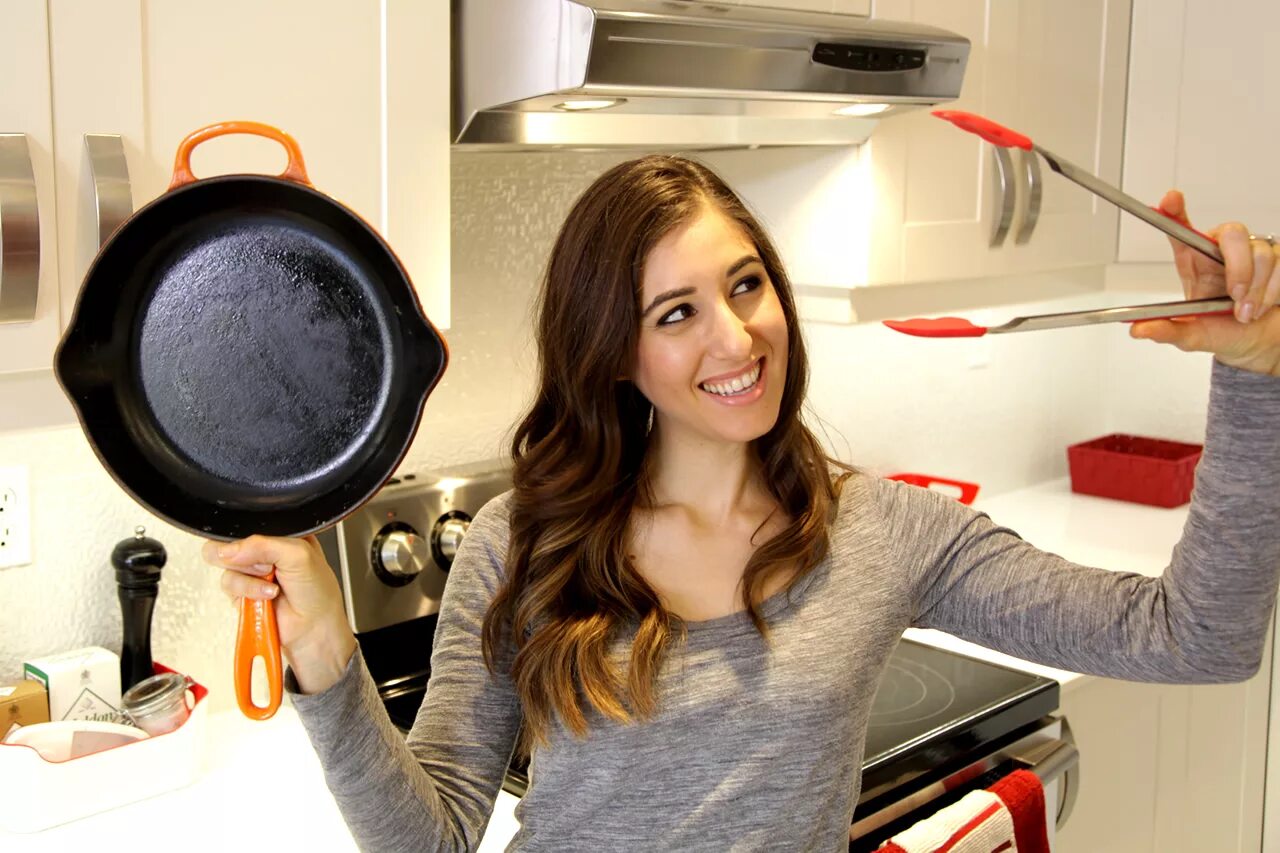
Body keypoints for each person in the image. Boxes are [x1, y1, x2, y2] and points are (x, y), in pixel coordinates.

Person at [204, 156, 1280, 852]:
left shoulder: (887, 532)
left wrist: (1254, 374)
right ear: (614, 353)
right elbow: (433, 836)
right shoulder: (519, 544)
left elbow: (1196, 636)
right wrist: (330, 664)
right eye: (674, 312)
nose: (735, 337)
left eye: (745, 284)